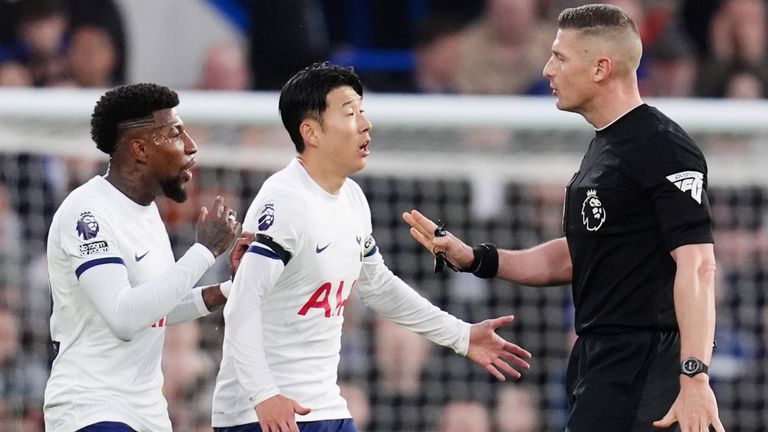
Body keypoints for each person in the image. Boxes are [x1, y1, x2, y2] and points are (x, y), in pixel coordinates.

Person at [403, 4, 725, 432]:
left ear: (600, 68)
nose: (547, 69)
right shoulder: (605, 148)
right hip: (601, 359)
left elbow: (699, 265)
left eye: (560, 57)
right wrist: (476, 258)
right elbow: (577, 257)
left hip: (647, 364)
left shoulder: (664, 148)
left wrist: (694, 374)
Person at [211, 62, 533, 432]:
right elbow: (242, 304)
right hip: (264, 413)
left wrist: (460, 335)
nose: (366, 124)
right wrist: (264, 394)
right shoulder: (285, 201)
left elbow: (377, 284)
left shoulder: (352, 198)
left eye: (363, 111)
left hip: (323, 406)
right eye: (350, 113)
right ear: (311, 132)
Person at [44, 83, 248, 431]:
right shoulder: (87, 213)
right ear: (139, 149)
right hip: (92, 409)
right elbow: (124, 317)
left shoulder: (147, 212)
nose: (191, 146)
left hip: (147, 412)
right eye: (175, 134)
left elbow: (154, 307)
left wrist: (230, 288)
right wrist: (203, 251)